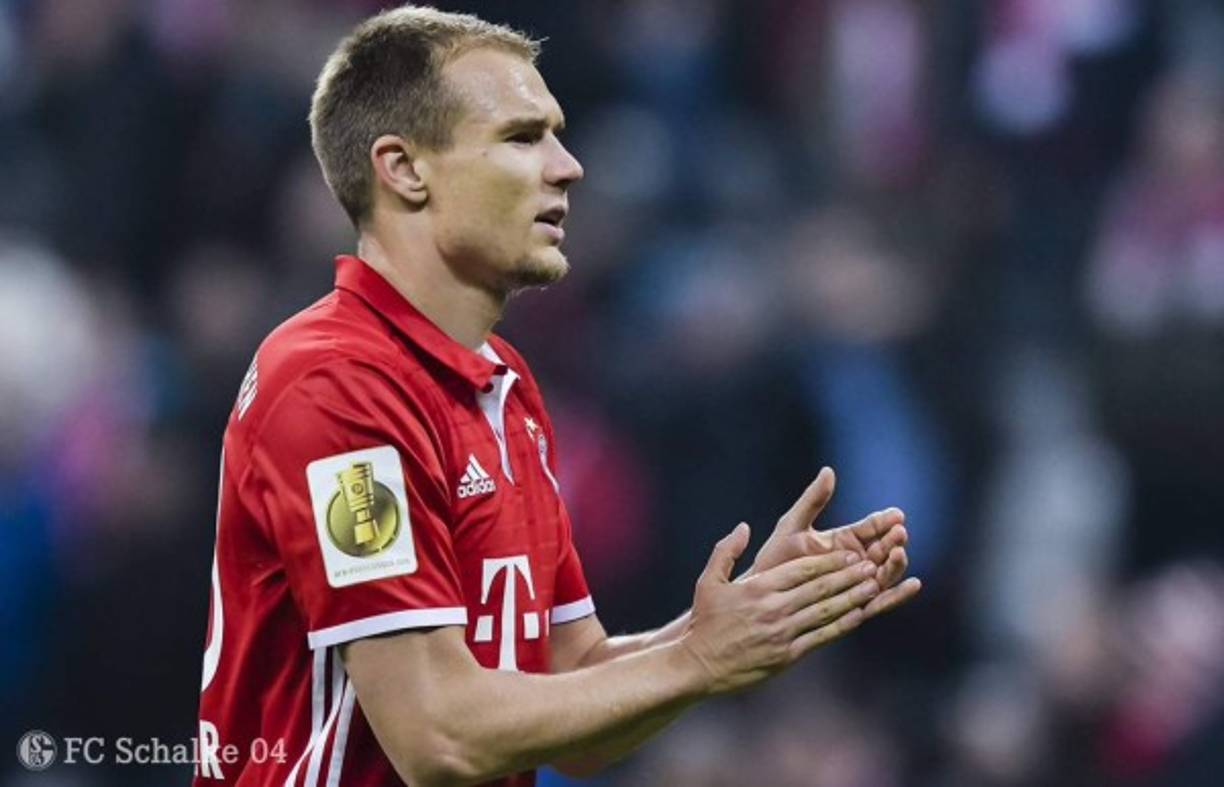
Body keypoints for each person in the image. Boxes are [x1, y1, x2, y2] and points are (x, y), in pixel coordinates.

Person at [192, 6, 922, 786]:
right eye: (520, 137)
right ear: (405, 169)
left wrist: (734, 626)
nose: (567, 166)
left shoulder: (504, 387)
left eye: (557, 134)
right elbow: (435, 734)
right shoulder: (334, 383)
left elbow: (575, 698)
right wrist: (699, 660)